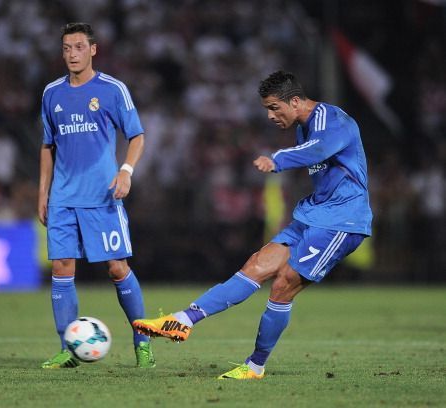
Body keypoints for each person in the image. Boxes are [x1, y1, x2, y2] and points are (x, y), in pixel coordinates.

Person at [133, 70, 372, 379]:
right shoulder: (303, 127)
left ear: (296, 100)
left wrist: (278, 159)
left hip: (343, 220)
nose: (270, 116)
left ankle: (255, 366)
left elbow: (319, 150)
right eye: (266, 109)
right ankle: (182, 320)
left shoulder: (332, 119)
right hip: (315, 214)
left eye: (274, 107)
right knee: (256, 265)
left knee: (283, 284)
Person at [38, 22, 155, 369]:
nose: (71, 54)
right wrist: (42, 192)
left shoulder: (112, 89)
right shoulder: (51, 93)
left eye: (78, 47)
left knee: (117, 269)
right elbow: (47, 146)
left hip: (102, 197)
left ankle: (142, 340)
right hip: (62, 198)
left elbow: (137, 137)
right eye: (66, 48)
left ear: (93, 49)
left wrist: (126, 171)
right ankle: (67, 349)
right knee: (61, 268)